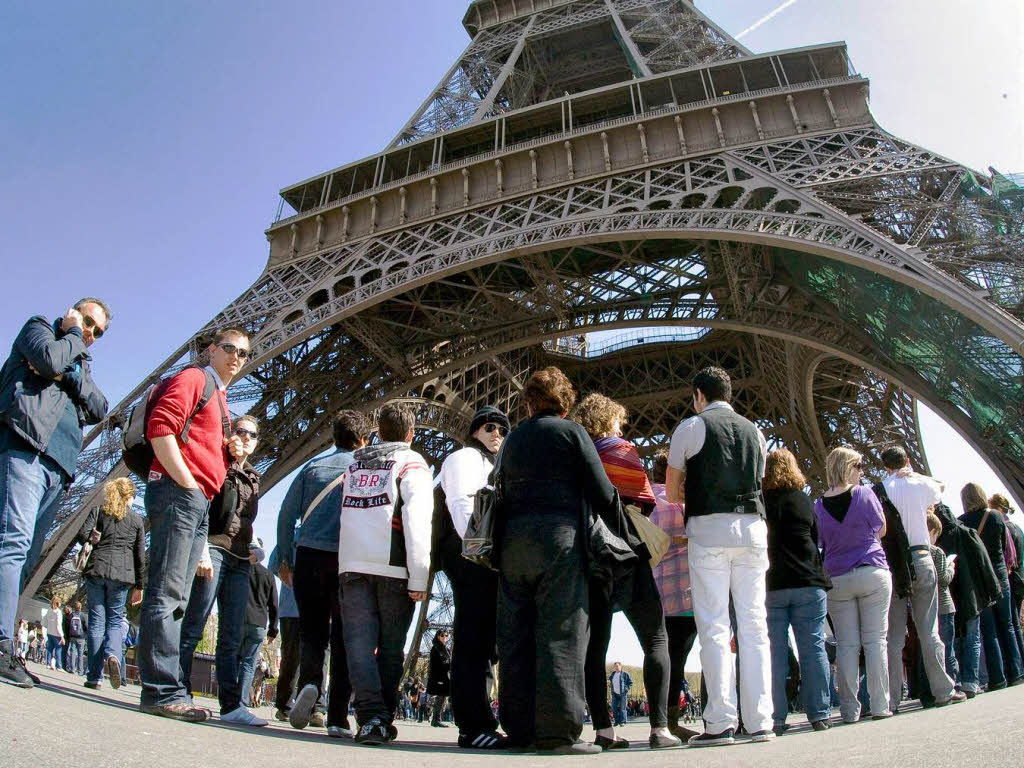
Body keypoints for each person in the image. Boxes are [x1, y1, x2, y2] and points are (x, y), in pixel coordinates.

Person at [497, 368, 617, 756]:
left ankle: (519, 730)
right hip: (559, 541)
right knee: (562, 633)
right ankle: (558, 732)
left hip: (514, 543)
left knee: (516, 636)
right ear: (566, 402)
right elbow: (601, 491)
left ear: (529, 401)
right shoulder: (572, 433)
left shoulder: (512, 439)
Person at [136, 327, 248, 722]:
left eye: (244, 353)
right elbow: (162, 427)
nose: (237, 357)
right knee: (167, 592)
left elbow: (196, 444)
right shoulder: (195, 378)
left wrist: (228, 451)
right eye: (230, 348)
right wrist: (186, 481)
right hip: (180, 492)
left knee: (179, 597)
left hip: (197, 498)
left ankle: (171, 687)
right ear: (213, 349)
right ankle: (161, 690)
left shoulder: (220, 398)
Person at [0, 299, 110, 688]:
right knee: (12, 545)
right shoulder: (40, 329)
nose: (91, 334)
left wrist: (68, 376)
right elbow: (47, 359)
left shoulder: (80, 361)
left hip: (60, 466)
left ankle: (5, 645)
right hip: (27, 447)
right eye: (88, 324)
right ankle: (1, 645)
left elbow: (100, 407)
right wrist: (71, 337)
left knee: (28, 555)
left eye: (98, 332)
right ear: (72, 313)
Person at [665, 366, 773, 746]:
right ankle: (760, 720)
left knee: (714, 626)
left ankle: (720, 722)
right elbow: (757, 478)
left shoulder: (690, 428)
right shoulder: (756, 433)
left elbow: (673, 491)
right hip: (753, 531)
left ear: (698, 394)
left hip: (709, 532)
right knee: (755, 627)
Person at [575, 393, 677, 750]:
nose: (623, 426)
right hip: (626, 554)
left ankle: (603, 730)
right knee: (655, 638)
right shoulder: (621, 449)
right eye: (619, 420)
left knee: (595, 647)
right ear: (610, 420)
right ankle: (659, 728)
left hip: (591, 556)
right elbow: (644, 500)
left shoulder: (579, 455)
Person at [339, 403, 432, 746]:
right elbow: (418, 522)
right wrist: (420, 577)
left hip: (353, 565)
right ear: (411, 435)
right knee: (391, 648)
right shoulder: (412, 463)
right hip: (393, 567)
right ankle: (381, 717)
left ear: (378, 431)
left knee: (359, 646)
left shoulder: (354, 464)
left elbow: (345, 515)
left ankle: (369, 717)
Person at [277, 409, 369, 737]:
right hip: (346, 560)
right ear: (363, 439)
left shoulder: (312, 467)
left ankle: (310, 686)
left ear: (334, 437)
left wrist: (285, 559)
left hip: (309, 557)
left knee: (312, 633)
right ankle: (337, 717)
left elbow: (286, 515)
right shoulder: (364, 470)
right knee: (344, 637)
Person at [178, 412, 264, 726]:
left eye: (252, 434)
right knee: (195, 623)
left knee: (231, 636)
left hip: (240, 559)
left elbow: (245, 521)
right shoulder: (216, 460)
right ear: (229, 433)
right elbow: (201, 506)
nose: (245, 438)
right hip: (213, 548)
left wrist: (255, 549)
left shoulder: (254, 476)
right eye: (240, 431)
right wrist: (200, 549)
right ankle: (179, 691)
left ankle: (231, 705)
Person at [434, 405, 510, 749]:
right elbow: (462, 502)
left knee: (484, 639)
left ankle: (483, 720)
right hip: (470, 553)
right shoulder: (464, 457)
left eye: (504, 430)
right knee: (472, 636)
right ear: (476, 431)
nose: (498, 434)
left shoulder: (495, 465)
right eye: (491, 427)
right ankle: (472, 725)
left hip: (485, 555)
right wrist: (480, 550)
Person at [877, 446, 962, 710]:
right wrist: (911, 474)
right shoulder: (918, 485)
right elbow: (941, 486)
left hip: (894, 563)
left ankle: (890, 700)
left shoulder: (880, 488)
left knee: (893, 636)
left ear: (885, 465)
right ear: (908, 461)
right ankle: (943, 690)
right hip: (922, 557)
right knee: (930, 631)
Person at [814, 446, 892, 723]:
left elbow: (820, 543)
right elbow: (881, 528)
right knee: (875, 642)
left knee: (846, 645)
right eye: (858, 466)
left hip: (838, 579)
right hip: (872, 571)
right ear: (847, 467)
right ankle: (880, 705)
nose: (862, 471)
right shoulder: (865, 493)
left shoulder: (818, 505)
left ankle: (849, 709)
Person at [762, 448, 832, 734]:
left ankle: (776, 718)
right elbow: (817, 539)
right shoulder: (806, 501)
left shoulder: (760, 502)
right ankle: (819, 715)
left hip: (771, 584)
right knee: (814, 648)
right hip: (808, 582)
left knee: (774, 654)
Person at [75, 477, 145, 689]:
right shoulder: (136, 520)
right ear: (130, 496)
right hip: (122, 575)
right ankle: (113, 654)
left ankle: (94, 676)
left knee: (96, 622)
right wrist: (139, 585)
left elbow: (81, 535)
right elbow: (140, 556)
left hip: (97, 569)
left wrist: (95, 537)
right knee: (115, 621)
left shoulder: (99, 511)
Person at [649, 451, 698, 742]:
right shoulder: (675, 503)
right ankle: (669, 722)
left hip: (658, 591)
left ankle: (663, 721)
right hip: (684, 593)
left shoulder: (648, 500)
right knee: (677, 657)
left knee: (665, 656)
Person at [932, 501, 1001, 697]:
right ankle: (971, 681)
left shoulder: (936, 540)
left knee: (950, 641)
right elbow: (984, 563)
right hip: (970, 594)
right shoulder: (967, 533)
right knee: (973, 638)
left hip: (946, 596)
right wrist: (992, 590)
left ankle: (955, 681)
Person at [960, 482, 1024, 688]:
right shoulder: (996, 516)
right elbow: (1006, 549)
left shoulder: (961, 522)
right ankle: (1016, 672)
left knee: (990, 629)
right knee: (1008, 625)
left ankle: (997, 677)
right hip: (1000, 575)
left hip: (980, 580)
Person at [238, 542, 279, 710]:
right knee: (249, 663)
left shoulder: (240, 570)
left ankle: (228, 696)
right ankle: (241, 700)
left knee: (233, 659)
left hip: (239, 619)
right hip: (259, 623)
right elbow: (274, 604)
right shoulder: (268, 575)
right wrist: (273, 630)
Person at [925, 512, 960, 689]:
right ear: (931, 532)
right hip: (944, 605)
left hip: (927, 608)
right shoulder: (936, 552)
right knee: (948, 649)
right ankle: (953, 684)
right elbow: (943, 579)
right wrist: (951, 568)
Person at [990, 493, 1024, 662]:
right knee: (1015, 623)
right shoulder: (1017, 527)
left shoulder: (1002, 527)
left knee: (1009, 623)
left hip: (1009, 579)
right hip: (1020, 580)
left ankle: (1015, 663)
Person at [427, 629, 451, 727]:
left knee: (442, 698)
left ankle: (436, 719)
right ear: (438, 636)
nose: (444, 637)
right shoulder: (436, 648)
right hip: (439, 677)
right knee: (440, 698)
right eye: (442, 635)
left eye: (446, 635)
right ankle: (436, 719)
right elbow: (435, 665)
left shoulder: (443, 648)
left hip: (444, 676)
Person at [607, 662, 633, 728]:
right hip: (614, 693)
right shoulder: (613, 674)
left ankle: (622, 722)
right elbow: (609, 681)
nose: (616, 667)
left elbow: (630, 683)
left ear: (620, 666)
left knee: (622, 708)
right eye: (615, 666)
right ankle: (616, 721)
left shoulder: (625, 674)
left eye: (617, 666)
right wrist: (609, 684)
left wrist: (626, 689)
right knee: (614, 708)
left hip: (623, 693)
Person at [43, 597, 65, 670]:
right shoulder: (58, 612)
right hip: (57, 634)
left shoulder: (49, 610)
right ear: (57, 603)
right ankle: (58, 666)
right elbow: (58, 624)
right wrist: (62, 636)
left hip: (49, 632)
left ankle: (48, 664)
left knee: (50, 649)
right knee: (58, 649)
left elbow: (44, 620)